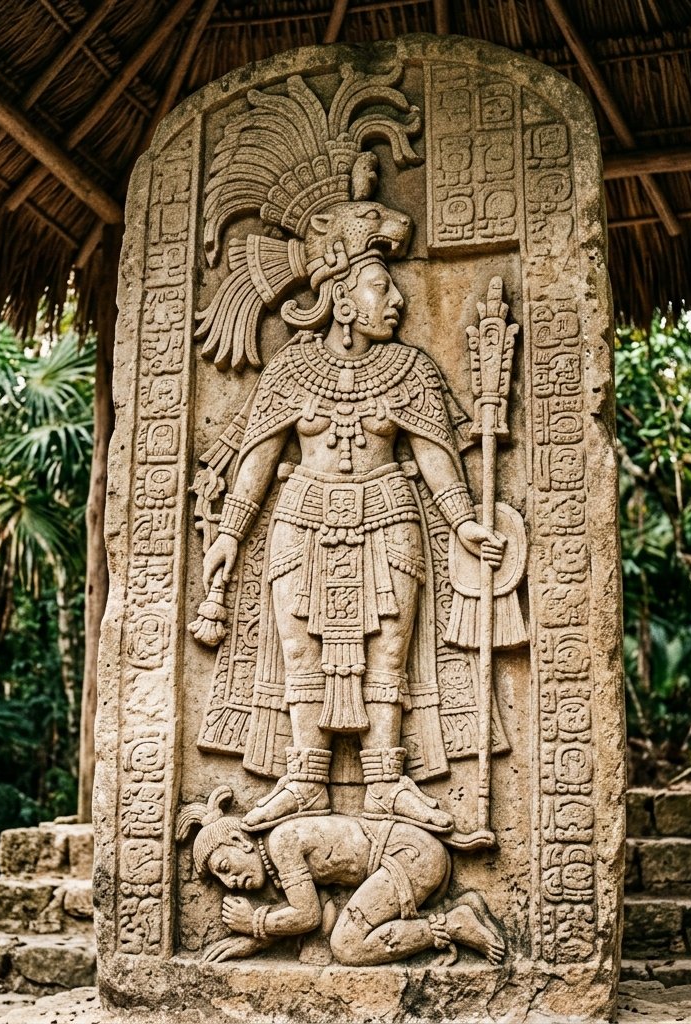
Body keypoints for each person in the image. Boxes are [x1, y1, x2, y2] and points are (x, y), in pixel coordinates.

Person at [200, 248, 505, 832]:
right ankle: (306, 780)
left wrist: (464, 523)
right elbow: (258, 458)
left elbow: (436, 457)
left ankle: (386, 783)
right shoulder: (291, 368)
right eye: (379, 289)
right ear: (340, 300)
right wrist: (230, 535)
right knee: (299, 654)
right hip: (302, 515)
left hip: (389, 513)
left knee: (389, 655)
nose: (397, 302)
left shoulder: (410, 369)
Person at [178, 787, 506, 966]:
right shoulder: (277, 858)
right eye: (222, 880)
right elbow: (323, 912)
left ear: (239, 841)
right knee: (340, 938)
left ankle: (454, 923)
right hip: (410, 856)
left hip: (408, 856)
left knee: (347, 946)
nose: (230, 883)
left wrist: (255, 924)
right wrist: (253, 943)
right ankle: (456, 910)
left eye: (224, 868)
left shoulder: (281, 842)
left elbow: (307, 915)